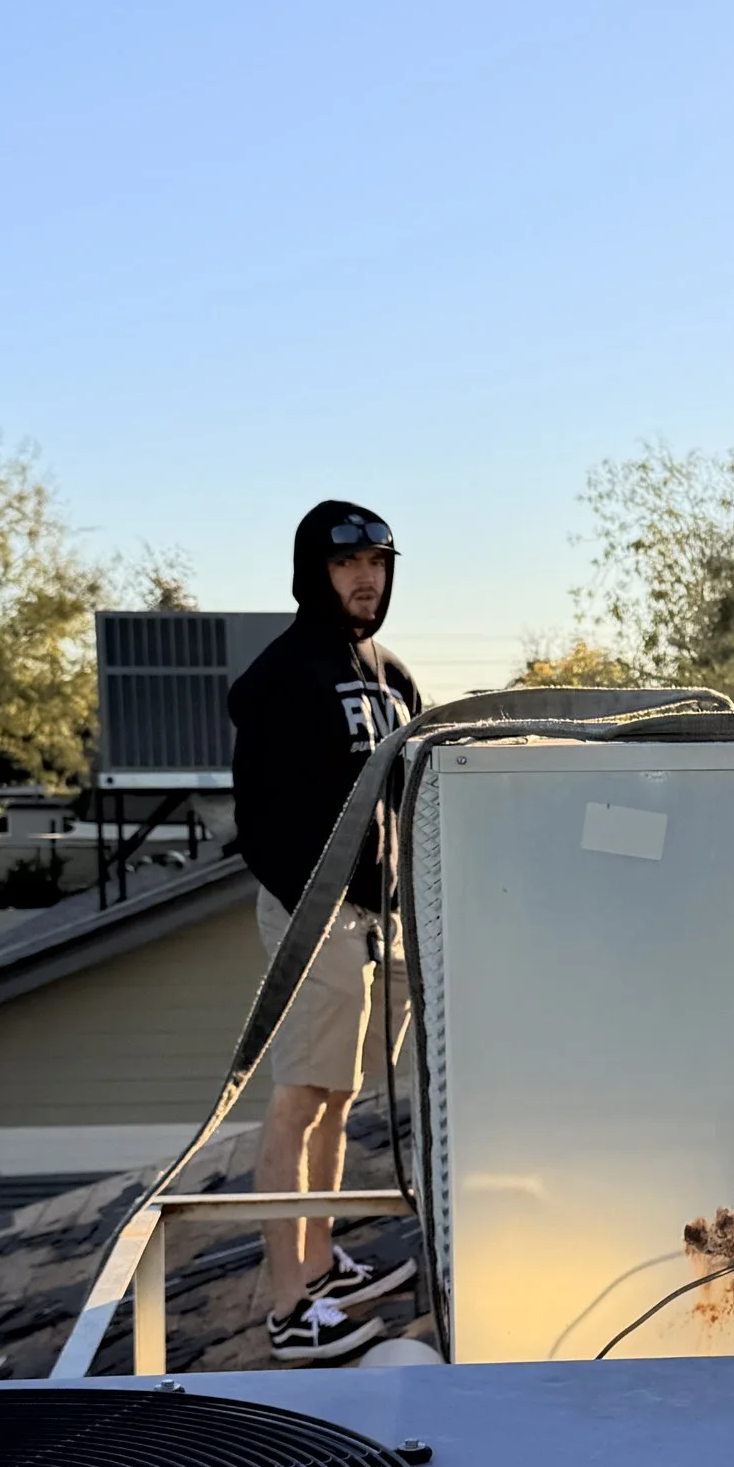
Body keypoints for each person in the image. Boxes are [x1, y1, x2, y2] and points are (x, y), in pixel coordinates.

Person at [227, 502, 424, 1361]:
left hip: (375, 916)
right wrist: (314, 912)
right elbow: (256, 818)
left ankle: (319, 1262)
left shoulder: (394, 677)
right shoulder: (281, 677)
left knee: (338, 1098)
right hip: (314, 911)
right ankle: (288, 1302)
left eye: (378, 563)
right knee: (301, 1096)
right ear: (315, 571)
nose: (365, 578)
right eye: (348, 565)